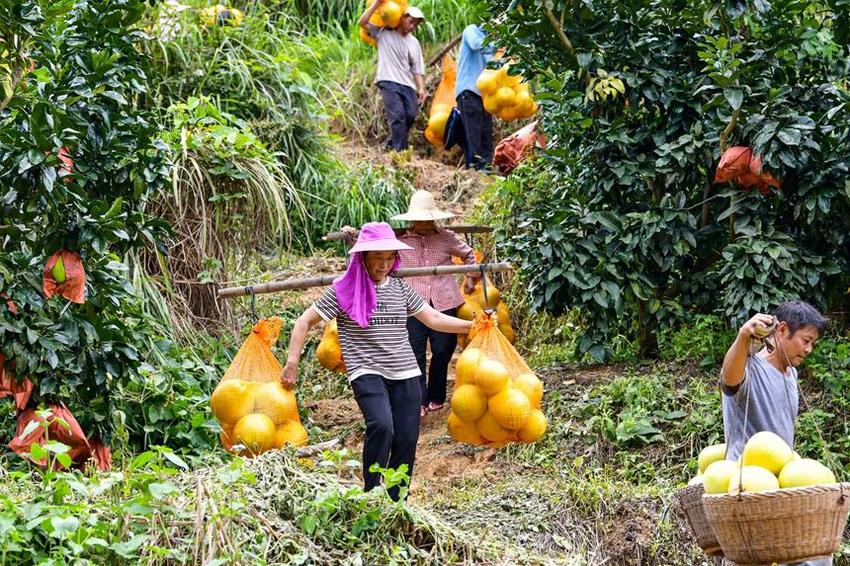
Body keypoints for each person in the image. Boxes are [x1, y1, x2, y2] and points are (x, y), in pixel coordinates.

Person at [281, 222, 472, 500]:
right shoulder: (343, 290)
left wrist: (471, 326)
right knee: (382, 425)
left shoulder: (400, 289)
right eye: (377, 259)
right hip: (366, 370)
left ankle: (397, 501)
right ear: (363, 258)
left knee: (407, 438)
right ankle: (371, 492)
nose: (384, 265)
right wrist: (292, 362)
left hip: (405, 371)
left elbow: (434, 318)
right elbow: (304, 321)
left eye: (389, 258)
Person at [720, 300, 830, 566]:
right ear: (781, 330)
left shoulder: (791, 374)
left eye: (812, 342)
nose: (808, 349)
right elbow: (729, 379)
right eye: (805, 340)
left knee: (817, 556)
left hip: (781, 489)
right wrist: (744, 335)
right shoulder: (752, 369)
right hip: (749, 491)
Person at [394, 190, 480, 416]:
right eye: (418, 219)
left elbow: (469, 255)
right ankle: (418, 400)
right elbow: (374, 250)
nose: (422, 223)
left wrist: (471, 277)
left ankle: (436, 395)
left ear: (433, 218)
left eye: (426, 219)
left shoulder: (446, 237)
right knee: (415, 350)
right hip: (412, 303)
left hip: (444, 299)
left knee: (443, 349)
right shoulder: (399, 240)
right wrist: (353, 235)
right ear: (411, 219)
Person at [359, 2, 427, 152]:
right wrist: (377, 3)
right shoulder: (383, 33)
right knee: (398, 115)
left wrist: (421, 88)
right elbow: (362, 22)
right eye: (411, 21)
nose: (413, 25)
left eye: (416, 23)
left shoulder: (414, 42)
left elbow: (417, 68)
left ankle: (391, 143)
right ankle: (400, 152)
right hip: (388, 81)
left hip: (407, 84)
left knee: (410, 114)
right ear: (402, 18)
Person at [455, 23, 496, 170]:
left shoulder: (491, 45)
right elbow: (477, 44)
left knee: (486, 132)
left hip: (485, 97)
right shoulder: (472, 30)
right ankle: (475, 169)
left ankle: (486, 169)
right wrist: (501, 44)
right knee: (474, 131)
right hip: (469, 91)